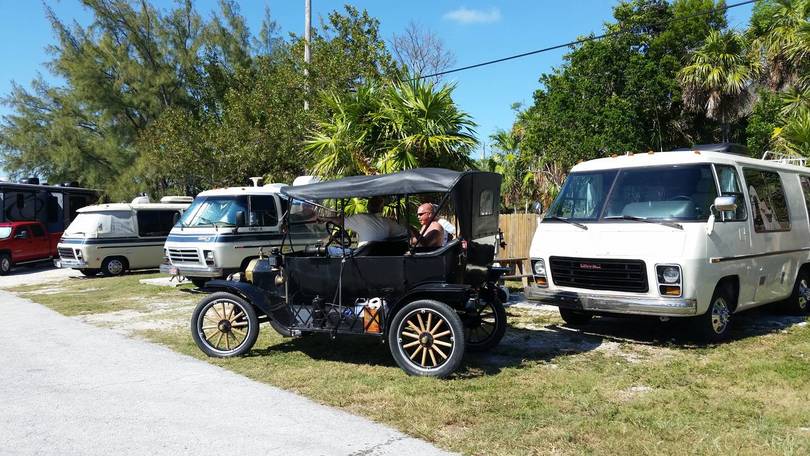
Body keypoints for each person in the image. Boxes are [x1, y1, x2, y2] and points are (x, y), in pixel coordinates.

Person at [321, 196, 407, 254]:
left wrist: (323, 219)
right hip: (378, 255)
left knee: (327, 250)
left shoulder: (361, 218)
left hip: (360, 255)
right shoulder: (388, 222)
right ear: (381, 208)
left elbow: (340, 221)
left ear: (368, 207)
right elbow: (404, 232)